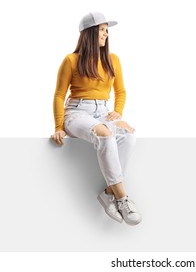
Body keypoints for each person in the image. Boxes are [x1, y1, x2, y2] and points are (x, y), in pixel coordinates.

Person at [51, 12, 142, 226]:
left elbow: (121, 91)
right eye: (102, 30)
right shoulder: (71, 60)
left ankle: (107, 194)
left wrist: (117, 111)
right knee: (104, 134)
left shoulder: (113, 60)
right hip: (76, 112)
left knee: (128, 134)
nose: (106, 34)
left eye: (106, 30)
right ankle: (121, 198)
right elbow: (58, 95)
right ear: (89, 33)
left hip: (102, 111)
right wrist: (58, 126)